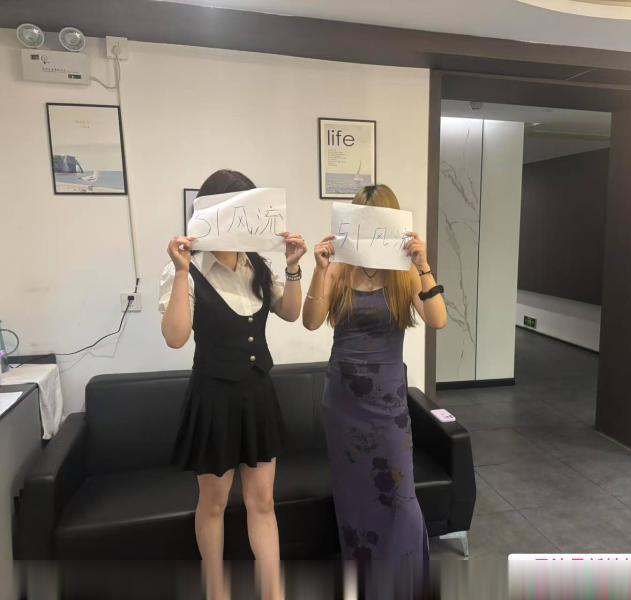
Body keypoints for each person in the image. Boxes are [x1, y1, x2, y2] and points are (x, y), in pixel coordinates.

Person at [159, 169, 307, 600]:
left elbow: (291, 313)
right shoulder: (186, 269)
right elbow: (175, 337)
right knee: (214, 504)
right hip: (213, 399)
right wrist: (181, 272)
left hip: (257, 395)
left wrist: (293, 268)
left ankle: (272, 591)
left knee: (263, 502)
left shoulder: (257, 265)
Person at [302, 184, 447, 598]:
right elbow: (311, 321)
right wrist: (319, 269)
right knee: (354, 500)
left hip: (388, 404)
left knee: (400, 499)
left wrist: (424, 265)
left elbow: (438, 319)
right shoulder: (339, 268)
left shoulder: (403, 272)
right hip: (343, 404)